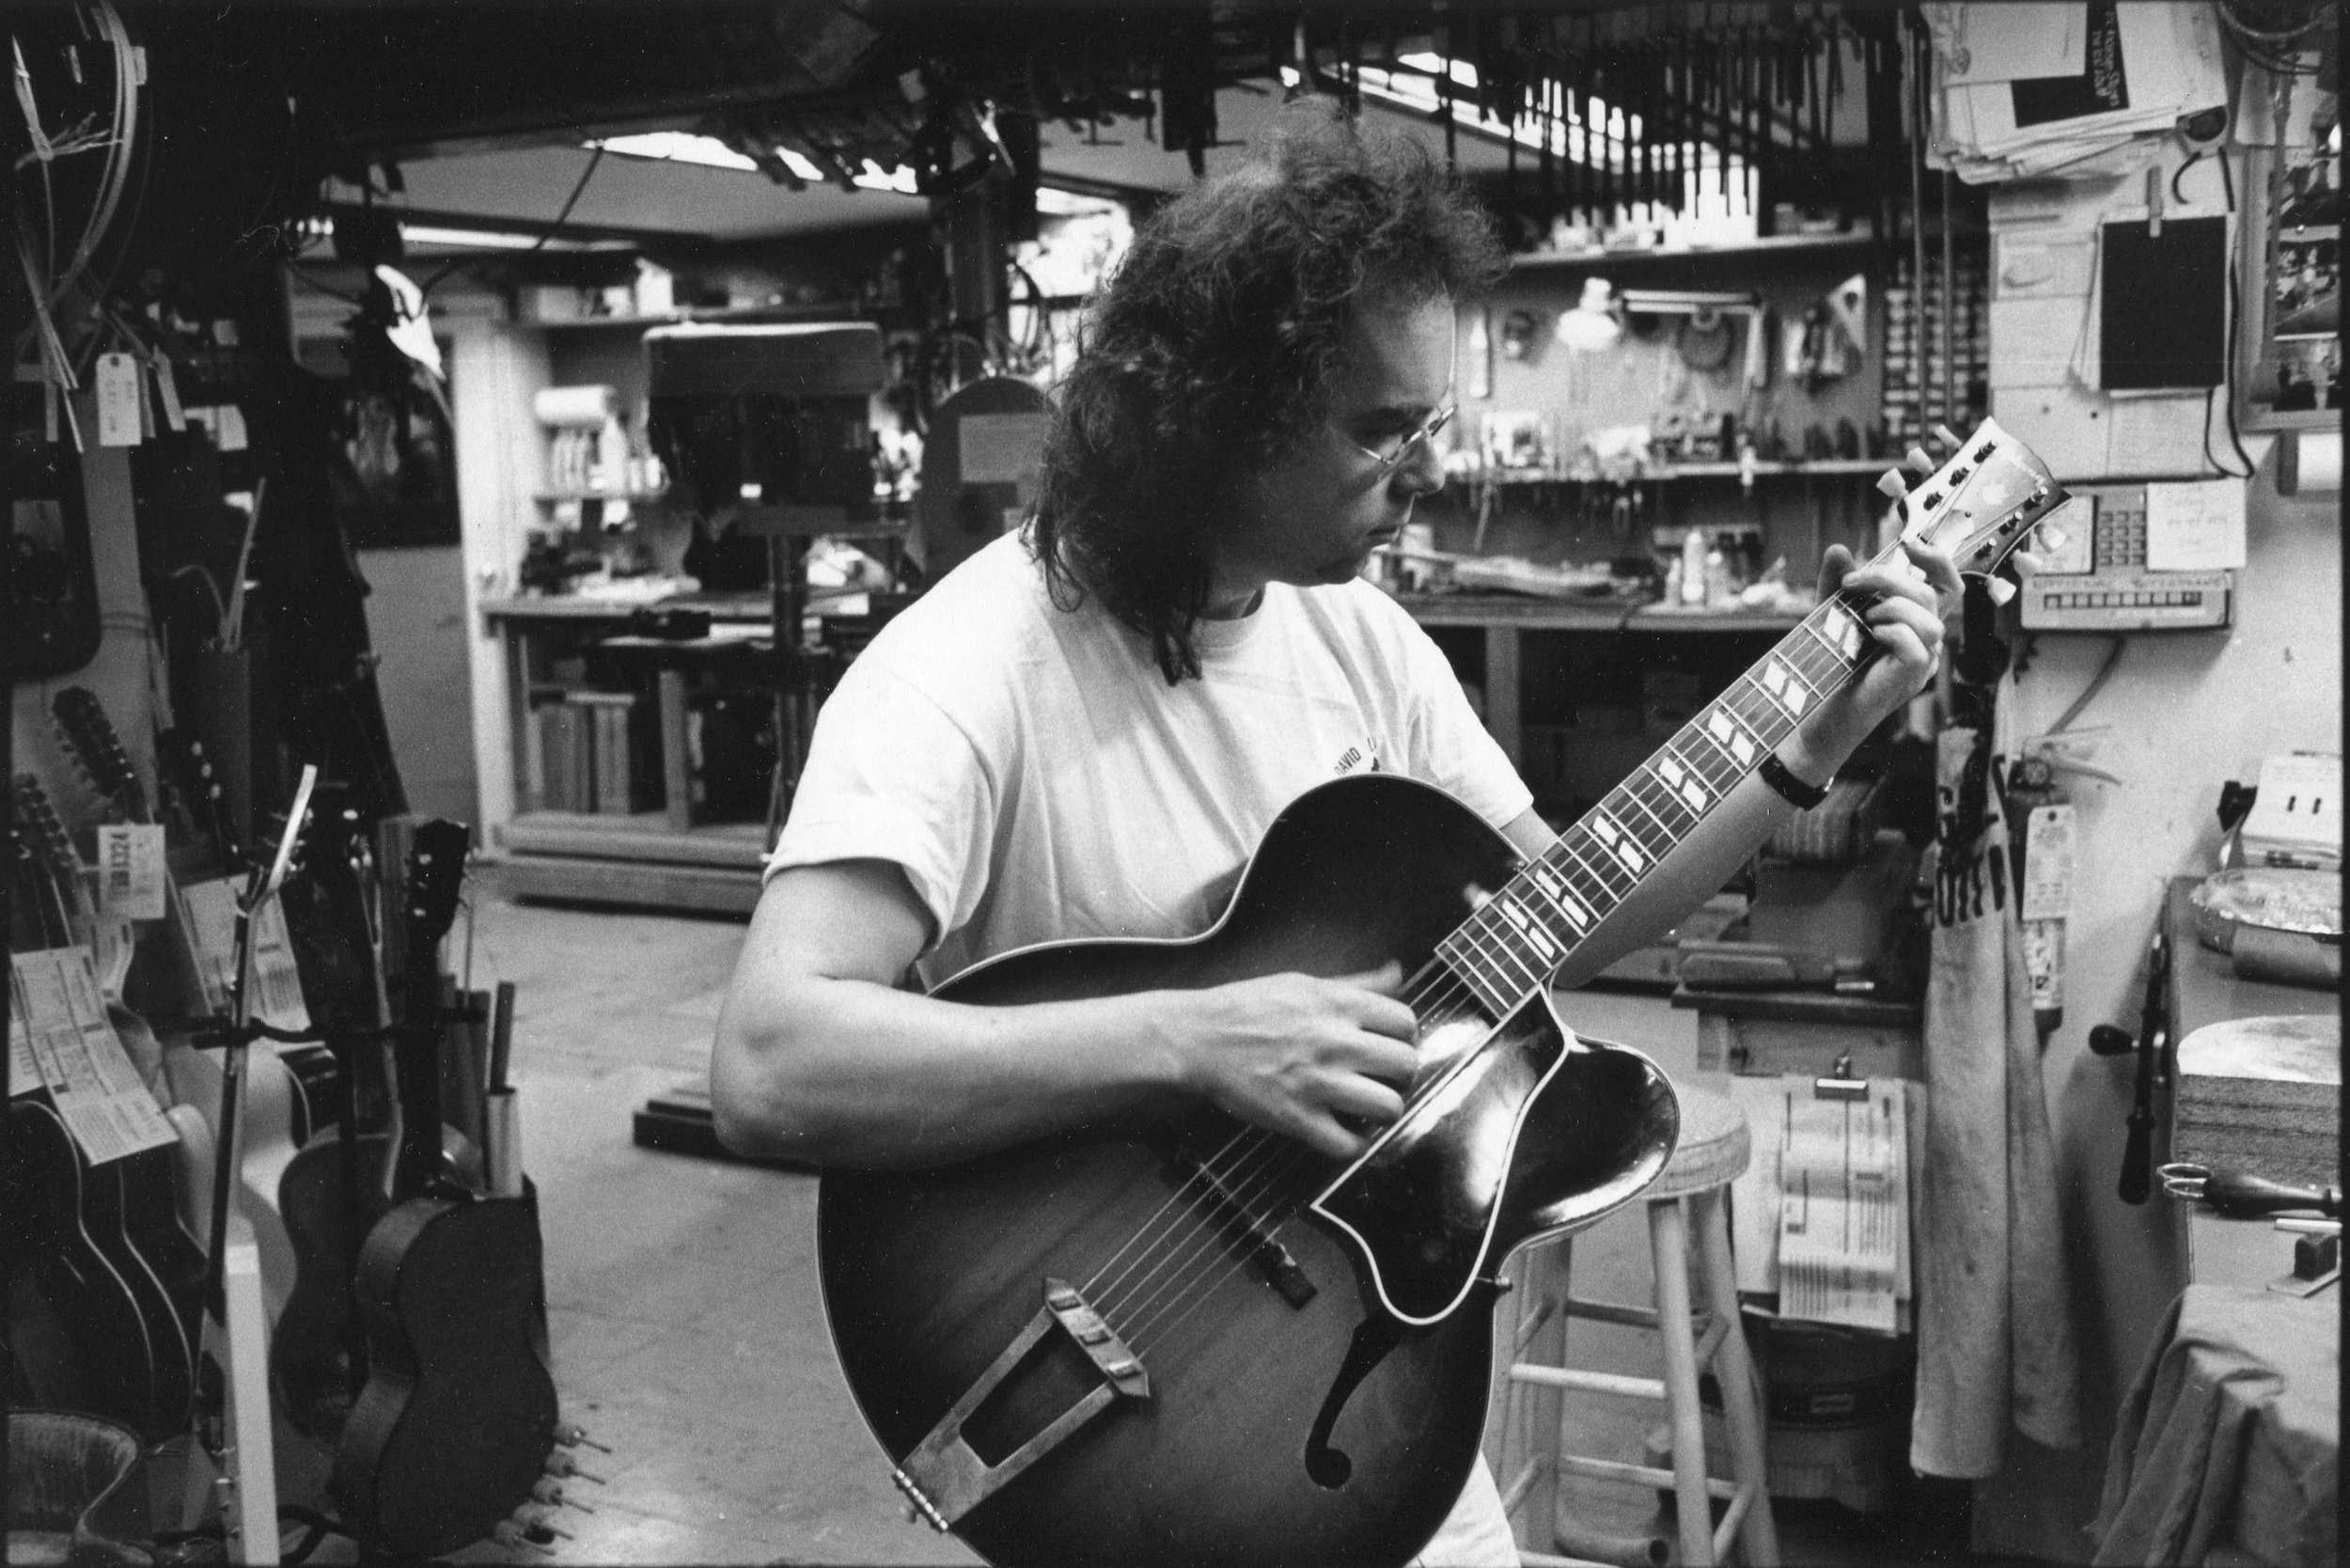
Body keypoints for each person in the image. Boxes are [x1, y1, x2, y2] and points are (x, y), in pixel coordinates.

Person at [712, 100, 1961, 1566]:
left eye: (1431, 420)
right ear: (1218, 415)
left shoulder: (1359, 637)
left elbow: (1570, 906)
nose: (1424, 468)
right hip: (1136, 1374)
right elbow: (772, 1061)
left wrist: (1815, 737)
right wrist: (1197, 1040)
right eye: (1381, 429)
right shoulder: (968, 666)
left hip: (1355, 1375)